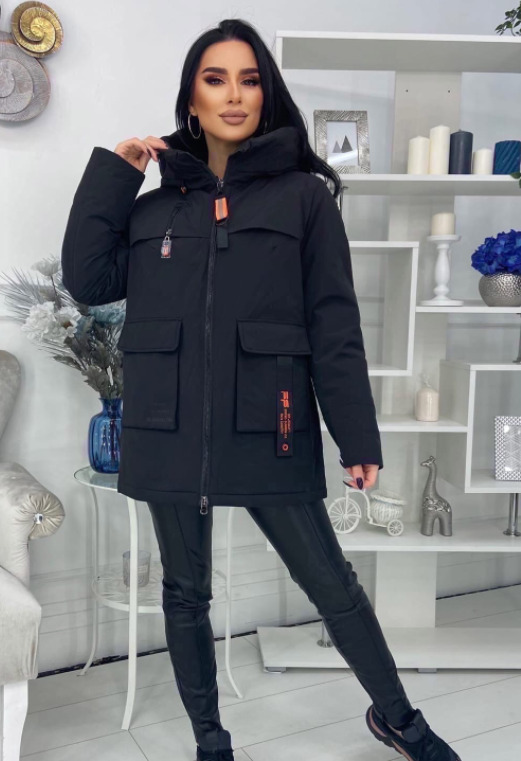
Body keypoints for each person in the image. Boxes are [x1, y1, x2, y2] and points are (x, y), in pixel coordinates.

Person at [61, 17, 461, 761]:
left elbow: (333, 323)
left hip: (269, 423)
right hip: (167, 426)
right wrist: (117, 173)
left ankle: (400, 720)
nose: (234, 95)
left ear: (265, 94)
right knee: (184, 593)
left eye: (248, 80)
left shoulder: (304, 198)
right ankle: (211, 742)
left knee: (332, 585)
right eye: (215, 80)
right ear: (191, 100)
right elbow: (87, 280)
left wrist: (355, 435)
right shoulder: (153, 209)